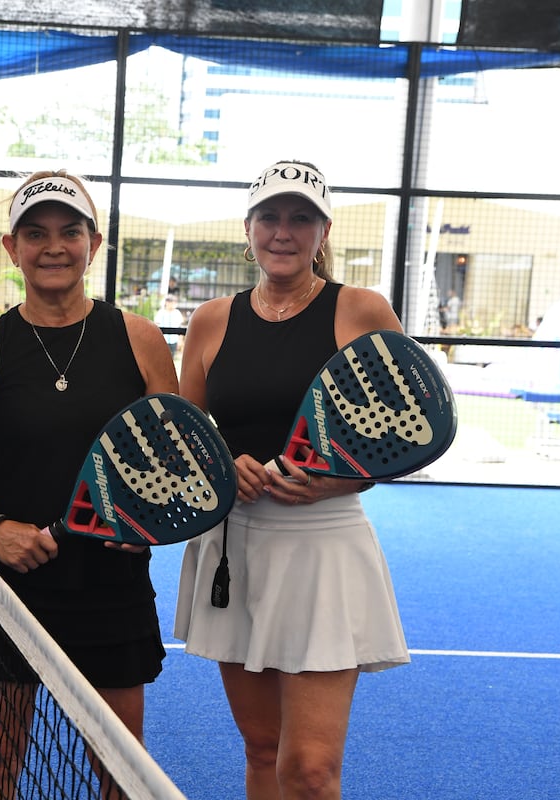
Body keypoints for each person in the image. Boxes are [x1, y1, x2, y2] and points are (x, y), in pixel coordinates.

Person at [0, 170, 179, 797]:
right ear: (12, 249)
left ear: (94, 244)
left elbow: (171, 460)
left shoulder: (140, 340)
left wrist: (145, 518)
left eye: (71, 231)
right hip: (10, 585)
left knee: (120, 769)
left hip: (110, 583)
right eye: (35, 233)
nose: (54, 246)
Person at [173, 160, 409, 799]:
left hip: (323, 547)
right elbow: (184, 439)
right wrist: (223, 465)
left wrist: (344, 481)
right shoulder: (211, 320)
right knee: (262, 749)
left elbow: (410, 430)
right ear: (247, 229)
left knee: (309, 769)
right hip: (234, 545)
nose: (284, 231)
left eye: (300, 217)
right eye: (270, 217)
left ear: (323, 229)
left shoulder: (360, 309)